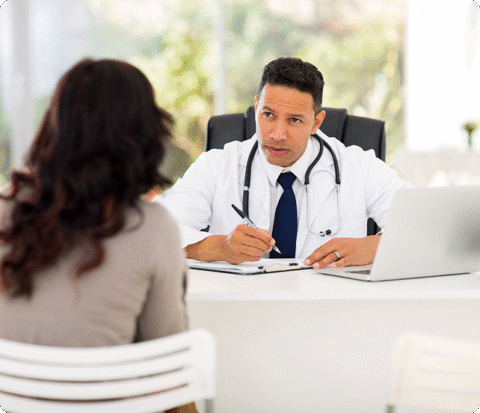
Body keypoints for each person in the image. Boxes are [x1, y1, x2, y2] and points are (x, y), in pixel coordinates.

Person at [0, 58, 188, 348]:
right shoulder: (153, 228)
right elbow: (168, 360)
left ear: (54, 126)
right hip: (105, 393)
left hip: (9, 393)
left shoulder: (6, 207)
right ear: (144, 134)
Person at [159, 57, 410, 269]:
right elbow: (152, 233)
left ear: (317, 122)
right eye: (268, 115)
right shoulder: (217, 165)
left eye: (294, 120)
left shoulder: (359, 167)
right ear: (256, 107)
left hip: (331, 312)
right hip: (240, 310)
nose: (277, 134)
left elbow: (430, 230)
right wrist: (218, 247)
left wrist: (374, 247)